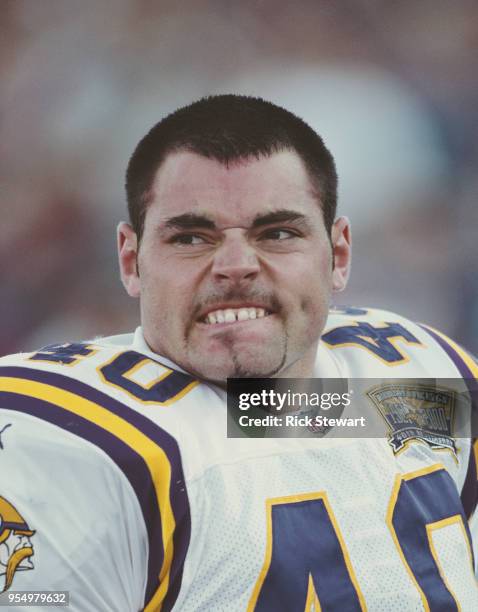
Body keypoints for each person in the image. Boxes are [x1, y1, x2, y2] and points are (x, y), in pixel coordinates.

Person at [0, 94, 477, 611]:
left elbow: (284, 421)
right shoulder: (64, 441)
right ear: (132, 261)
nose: (235, 265)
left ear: (339, 254)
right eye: (191, 238)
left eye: (276, 233)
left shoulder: (422, 371)